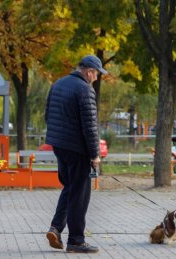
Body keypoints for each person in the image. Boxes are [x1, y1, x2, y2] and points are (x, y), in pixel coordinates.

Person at [44, 55, 107, 253]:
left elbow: (48, 115)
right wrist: (95, 154)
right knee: (80, 195)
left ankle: (55, 228)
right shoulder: (84, 89)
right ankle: (76, 241)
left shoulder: (58, 84)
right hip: (77, 149)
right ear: (89, 72)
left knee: (70, 188)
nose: (96, 78)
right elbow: (90, 126)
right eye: (96, 74)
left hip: (59, 146)